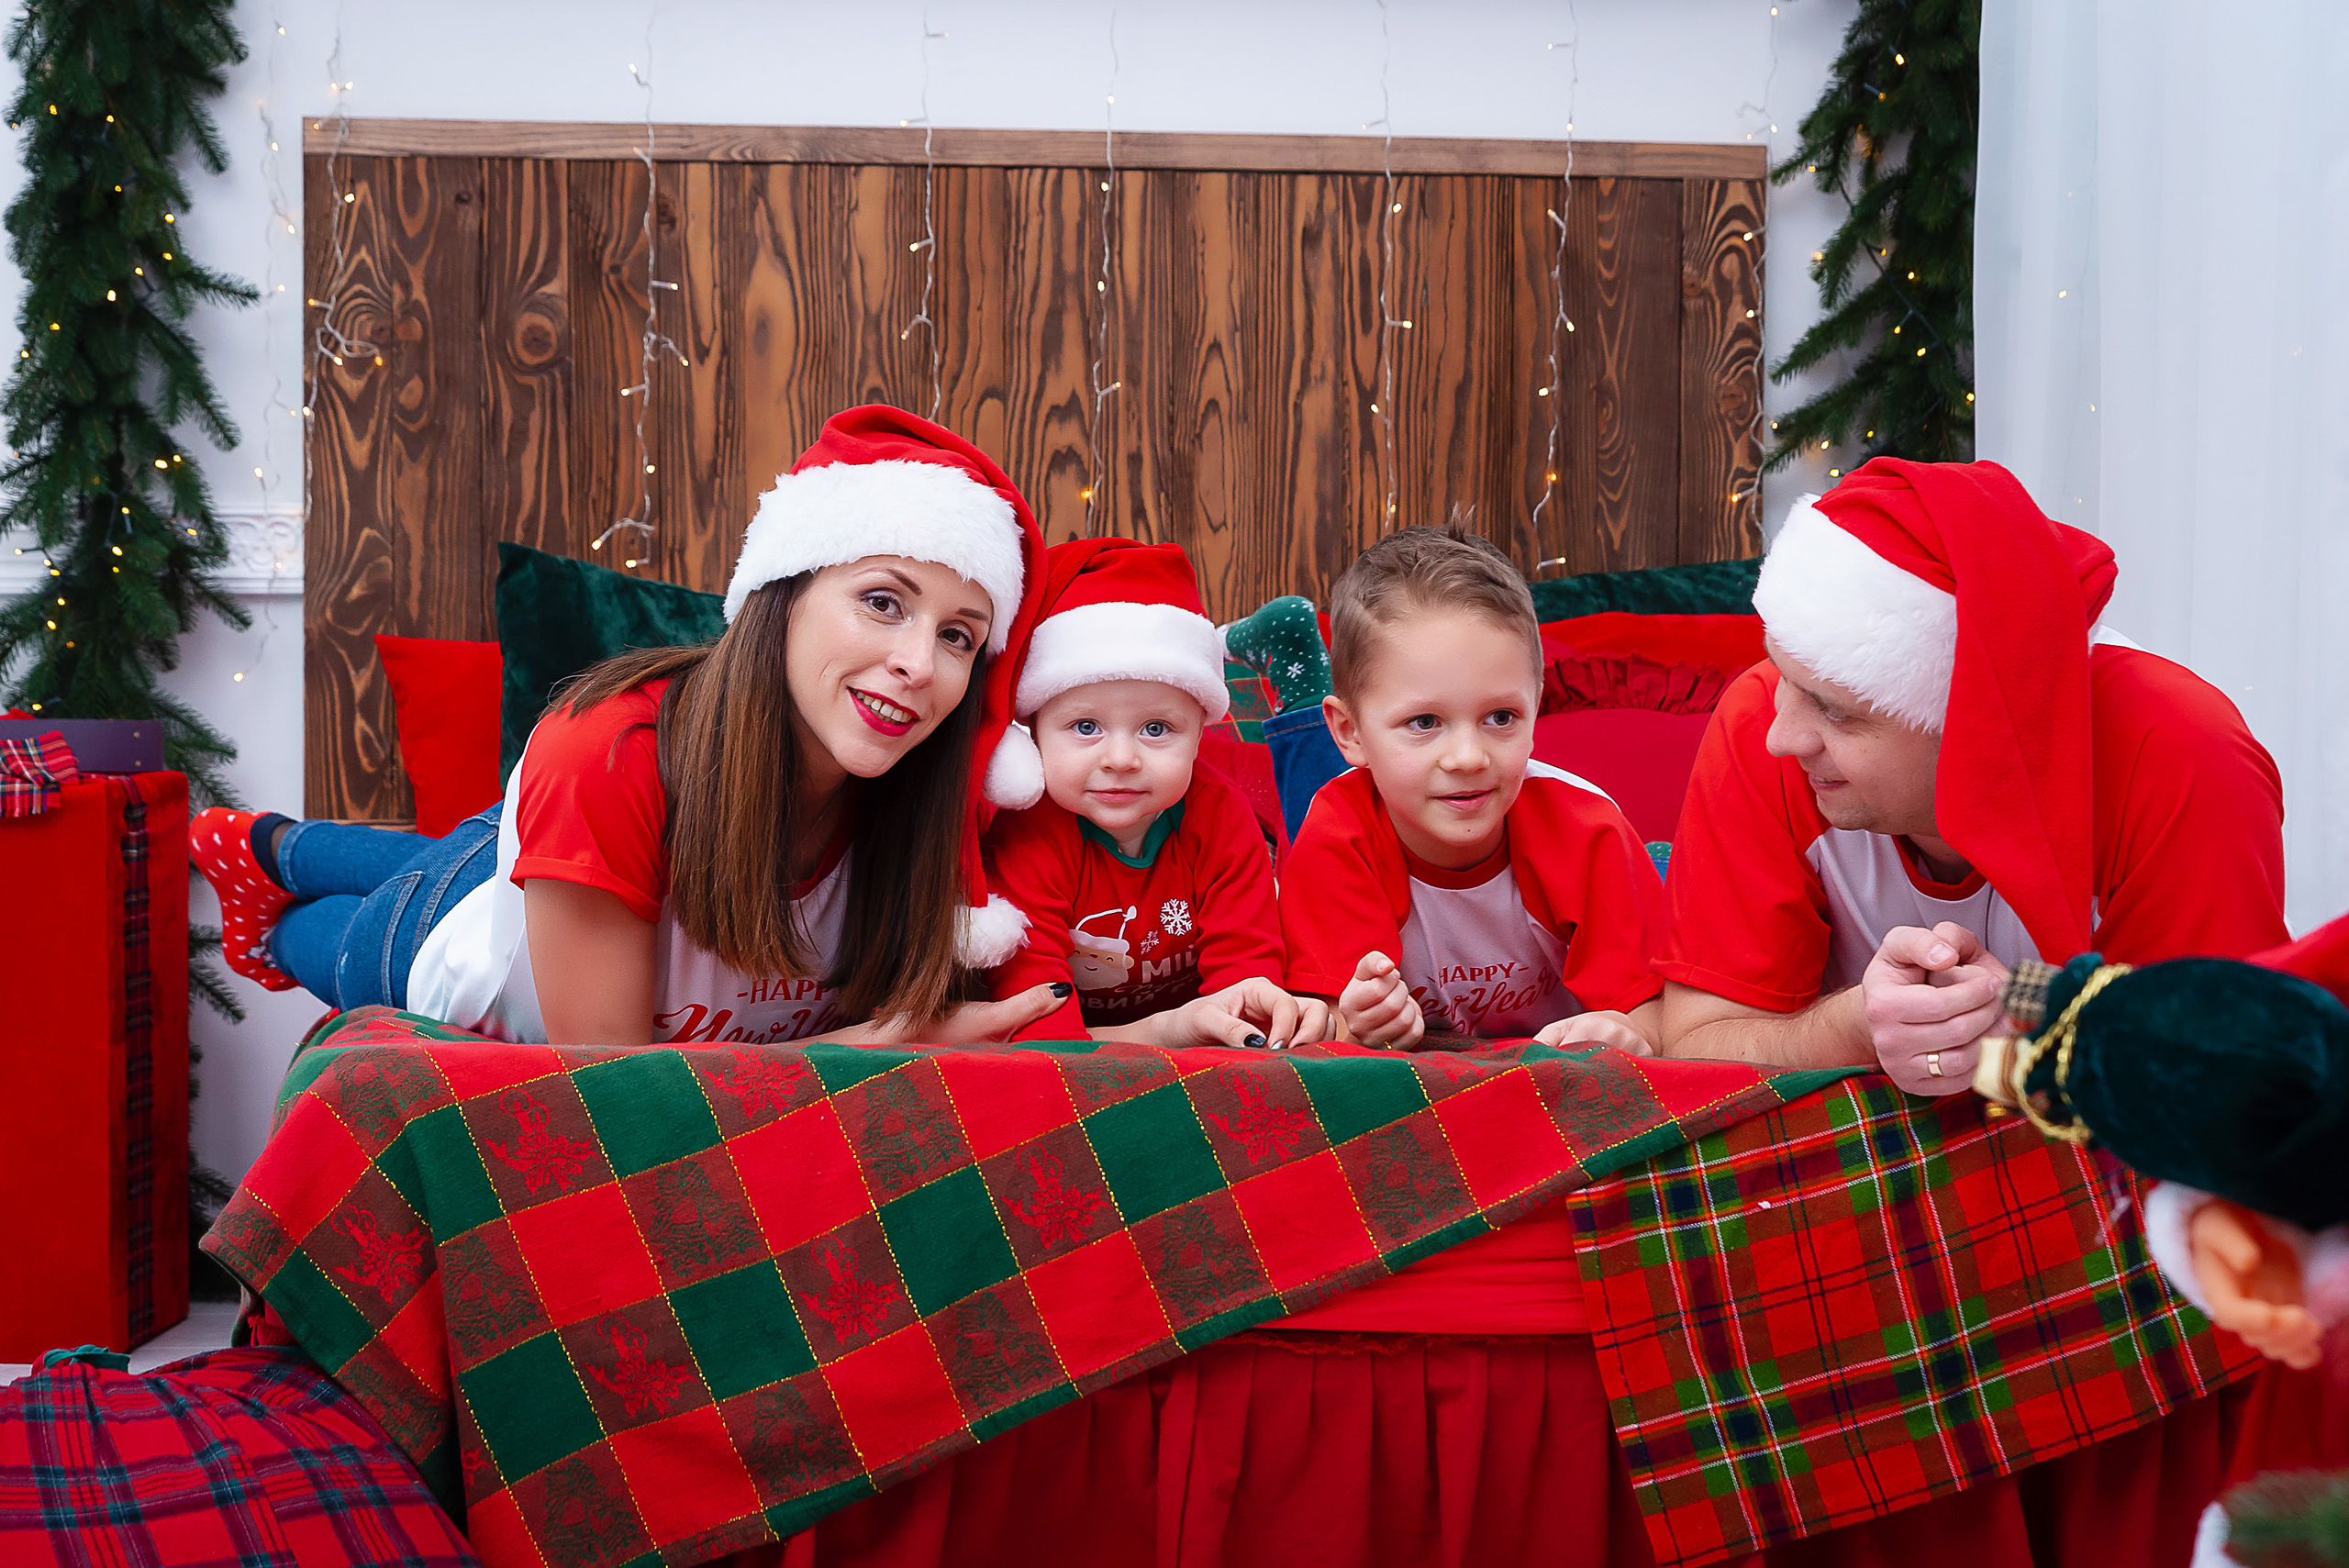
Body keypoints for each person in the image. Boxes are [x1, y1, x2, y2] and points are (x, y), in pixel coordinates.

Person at [1655, 456, 2288, 1560]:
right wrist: (1852, 1027)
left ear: (1975, 720)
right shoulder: (1765, 727)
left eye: (1836, 709)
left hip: (2107, 1248)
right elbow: (1693, 1043)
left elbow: (2225, 1102)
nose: (1781, 732)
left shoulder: (2176, 750)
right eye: (1786, 681)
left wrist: (2040, 1035)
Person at [190, 404, 1069, 1049]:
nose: (921, 662)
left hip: (574, 837)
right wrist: (857, 1053)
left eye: (959, 635)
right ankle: (268, 854)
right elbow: (615, 1103)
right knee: (315, 934)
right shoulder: (605, 755)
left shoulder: (919, 800)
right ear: (783, 594)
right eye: (882, 601)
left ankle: (279, 844)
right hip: (459, 931)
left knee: (481, 841)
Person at [1278, 526, 1665, 1051]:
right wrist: (1363, 1025)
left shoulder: (1588, 832)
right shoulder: (1337, 840)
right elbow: (1328, 1020)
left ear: (1536, 705)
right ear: (1350, 733)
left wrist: (1632, 1031)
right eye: (1424, 722)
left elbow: (1652, 1013)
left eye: (1500, 716)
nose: (1468, 758)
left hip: (1642, 871)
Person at [981, 536, 1323, 1048]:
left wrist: (1248, 1017)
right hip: (1087, 1039)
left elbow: (1245, 976)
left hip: (1188, 1028)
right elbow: (1039, 1023)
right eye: (1085, 727)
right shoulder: (1028, 831)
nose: (1121, 759)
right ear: (1033, 730)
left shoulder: (1219, 814)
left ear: (1199, 733)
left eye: (1157, 729)